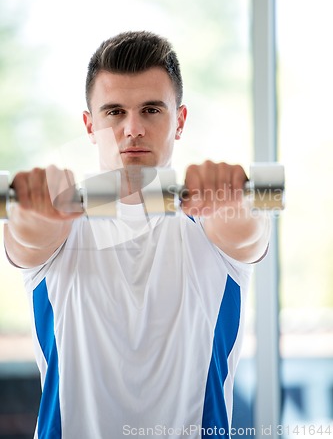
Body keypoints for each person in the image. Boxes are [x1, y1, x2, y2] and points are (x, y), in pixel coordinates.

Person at [4, 31, 270, 439]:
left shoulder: (215, 221)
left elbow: (247, 229)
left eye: (150, 110)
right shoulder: (56, 224)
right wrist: (32, 208)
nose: (132, 129)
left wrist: (235, 199)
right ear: (90, 125)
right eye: (114, 112)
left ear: (178, 121)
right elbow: (28, 235)